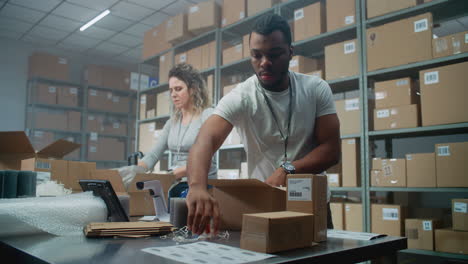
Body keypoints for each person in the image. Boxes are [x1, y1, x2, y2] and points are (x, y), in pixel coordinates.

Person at [185, 14, 341, 235]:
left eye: (274, 54)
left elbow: (331, 150)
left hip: (312, 205)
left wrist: (288, 169)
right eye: (256, 55)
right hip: (263, 206)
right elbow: (205, 140)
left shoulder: (315, 89)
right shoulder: (242, 96)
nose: (264, 63)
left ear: (290, 52)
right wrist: (197, 186)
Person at [119, 63, 217, 198]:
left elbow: (207, 160)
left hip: (200, 184)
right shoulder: (172, 122)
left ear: (193, 89)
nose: (173, 95)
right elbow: (153, 155)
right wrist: (133, 171)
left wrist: (170, 175)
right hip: (175, 182)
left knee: (173, 201)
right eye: (171, 90)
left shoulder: (207, 115)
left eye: (178, 89)